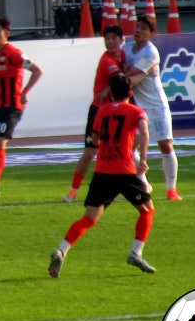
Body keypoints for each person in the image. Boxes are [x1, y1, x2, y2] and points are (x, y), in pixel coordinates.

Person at [48, 74, 156, 278]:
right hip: (124, 171)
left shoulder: (101, 111)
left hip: (102, 171)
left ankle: (62, 250)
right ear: (130, 93)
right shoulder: (136, 111)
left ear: (111, 93)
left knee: (89, 218)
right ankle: (136, 253)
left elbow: (96, 139)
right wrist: (142, 158)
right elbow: (144, 132)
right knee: (147, 210)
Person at [0, 16, 43, 199]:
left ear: (6, 33)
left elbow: (37, 71)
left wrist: (25, 91)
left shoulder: (15, 53)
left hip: (11, 106)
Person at [64, 25, 125, 202]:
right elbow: (121, 82)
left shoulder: (122, 56)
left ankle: (133, 185)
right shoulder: (107, 61)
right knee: (90, 152)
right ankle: (73, 190)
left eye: (114, 38)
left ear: (121, 40)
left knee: (118, 151)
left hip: (115, 112)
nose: (111, 42)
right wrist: (143, 73)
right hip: (99, 112)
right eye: (107, 39)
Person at [124, 16, 181, 200]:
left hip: (156, 105)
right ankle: (143, 181)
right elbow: (121, 72)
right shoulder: (126, 48)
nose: (138, 30)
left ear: (151, 33)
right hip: (135, 107)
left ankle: (171, 189)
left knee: (165, 145)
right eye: (137, 27)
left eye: (143, 28)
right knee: (131, 147)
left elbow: (131, 75)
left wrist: (125, 69)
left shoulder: (151, 52)